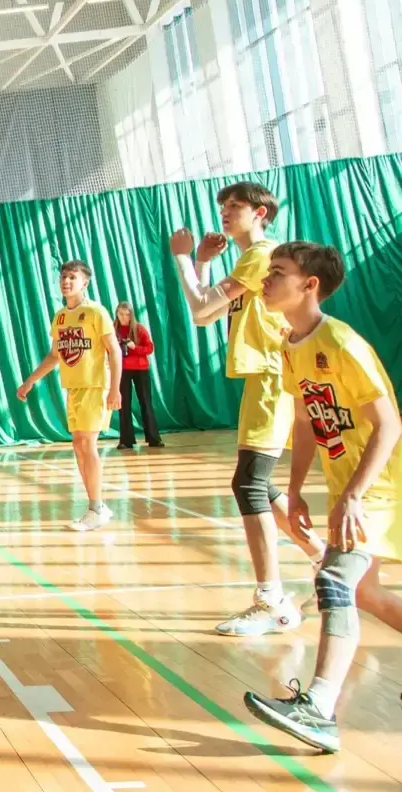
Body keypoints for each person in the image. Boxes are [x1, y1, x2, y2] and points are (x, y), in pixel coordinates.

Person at [243, 241, 402, 752]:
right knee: (367, 595)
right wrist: (293, 489)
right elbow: (310, 422)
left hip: (380, 485)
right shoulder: (292, 345)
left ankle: (319, 709)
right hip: (349, 485)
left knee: (334, 580)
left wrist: (354, 494)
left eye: (279, 272)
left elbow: (389, 424)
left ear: (309, 285)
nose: (266, 280)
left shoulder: (343, 344)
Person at [171, 182, 322, 635]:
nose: (225, 212)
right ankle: (324, 558)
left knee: (249, 484)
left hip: (274, 375)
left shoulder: (261, 256)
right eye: (221, 206)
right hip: (264, 377)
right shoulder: (249, 260)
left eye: (234, 206)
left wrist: (182, 256)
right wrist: (201, 261)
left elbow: (199, 305)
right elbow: (204, 315)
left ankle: (272, 602)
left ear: (260, 213)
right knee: (255, 481)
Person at [16, 261, 123, 532]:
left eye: (72, 277)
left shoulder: (96, 311)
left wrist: (115, 388)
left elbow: (115, 351)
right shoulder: (60, 317)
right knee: (78, 445)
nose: (66, 281)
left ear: (84, 282)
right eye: (63, 277)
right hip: (73, 388)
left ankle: (96, 508)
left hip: (95, 385)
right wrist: (30, 381)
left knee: (87, 443)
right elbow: (55, 355)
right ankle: (97, 504)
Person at [114, 301, 161, 450]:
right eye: (121, 314)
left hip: (141, 369)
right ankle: (126, 440)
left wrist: (135, 347)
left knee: (146, 402)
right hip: (122, 370)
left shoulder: (138, 328)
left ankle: (154, 438)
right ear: (116, 314)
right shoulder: (113, 330)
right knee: (124, 404)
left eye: (127, 314)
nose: (124, 317)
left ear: (131, 315)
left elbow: (150, 348)